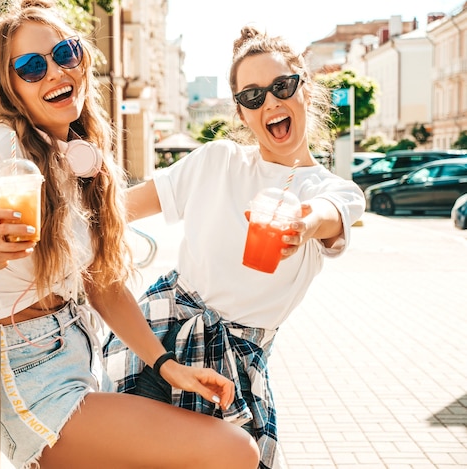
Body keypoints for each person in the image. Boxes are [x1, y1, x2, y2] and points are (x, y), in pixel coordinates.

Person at [0, 2, 261, 468]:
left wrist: (168, 366)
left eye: (64, 53)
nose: (54, 72)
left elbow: (101, 283)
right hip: (31, 378)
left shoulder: (76, 151)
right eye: (30, 66)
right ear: (11, 88)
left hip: (80, 354)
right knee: (231, 451)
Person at [103, 25, 366, 469]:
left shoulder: (334, 189)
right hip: (158, 334)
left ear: (304, 88)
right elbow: (119, 209)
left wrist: (301, 226)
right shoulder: (216, 160)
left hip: (236, 363)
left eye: (282, 86)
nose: (271, 102)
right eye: (253, 96)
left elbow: (328, 215)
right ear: (242, 114)